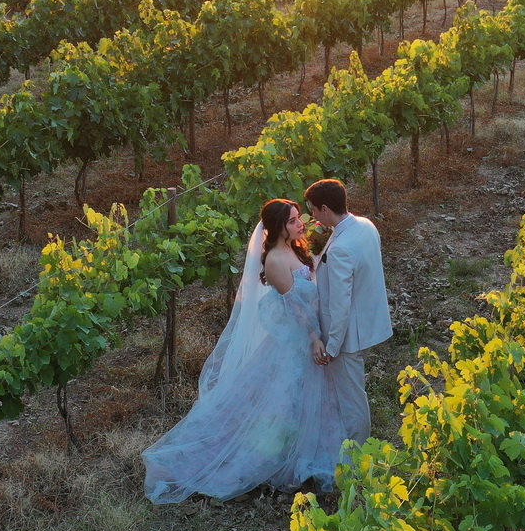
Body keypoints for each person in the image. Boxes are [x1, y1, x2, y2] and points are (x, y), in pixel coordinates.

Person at [143, 199, 344, 504]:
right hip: (295, 340)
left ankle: (301, 451)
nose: (300, 224)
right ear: (277, 227)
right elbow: (295, 307)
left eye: (298, 218)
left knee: (306, 399)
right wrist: (316, 338)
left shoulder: (294, 248)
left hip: (305, 336)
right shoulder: (275, 260)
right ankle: (273, 457)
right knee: (283, 401)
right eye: (292, 221)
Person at [305, 178, 392, 446]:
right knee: (352, 394)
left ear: (324, 208)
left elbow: (340, 304)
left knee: (352, 400)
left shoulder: (341, 248)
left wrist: (333, 346)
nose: (312, 216)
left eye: (313, 210)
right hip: (368, 322)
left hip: (348, 336)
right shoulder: (365, 225)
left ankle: (359, 456)